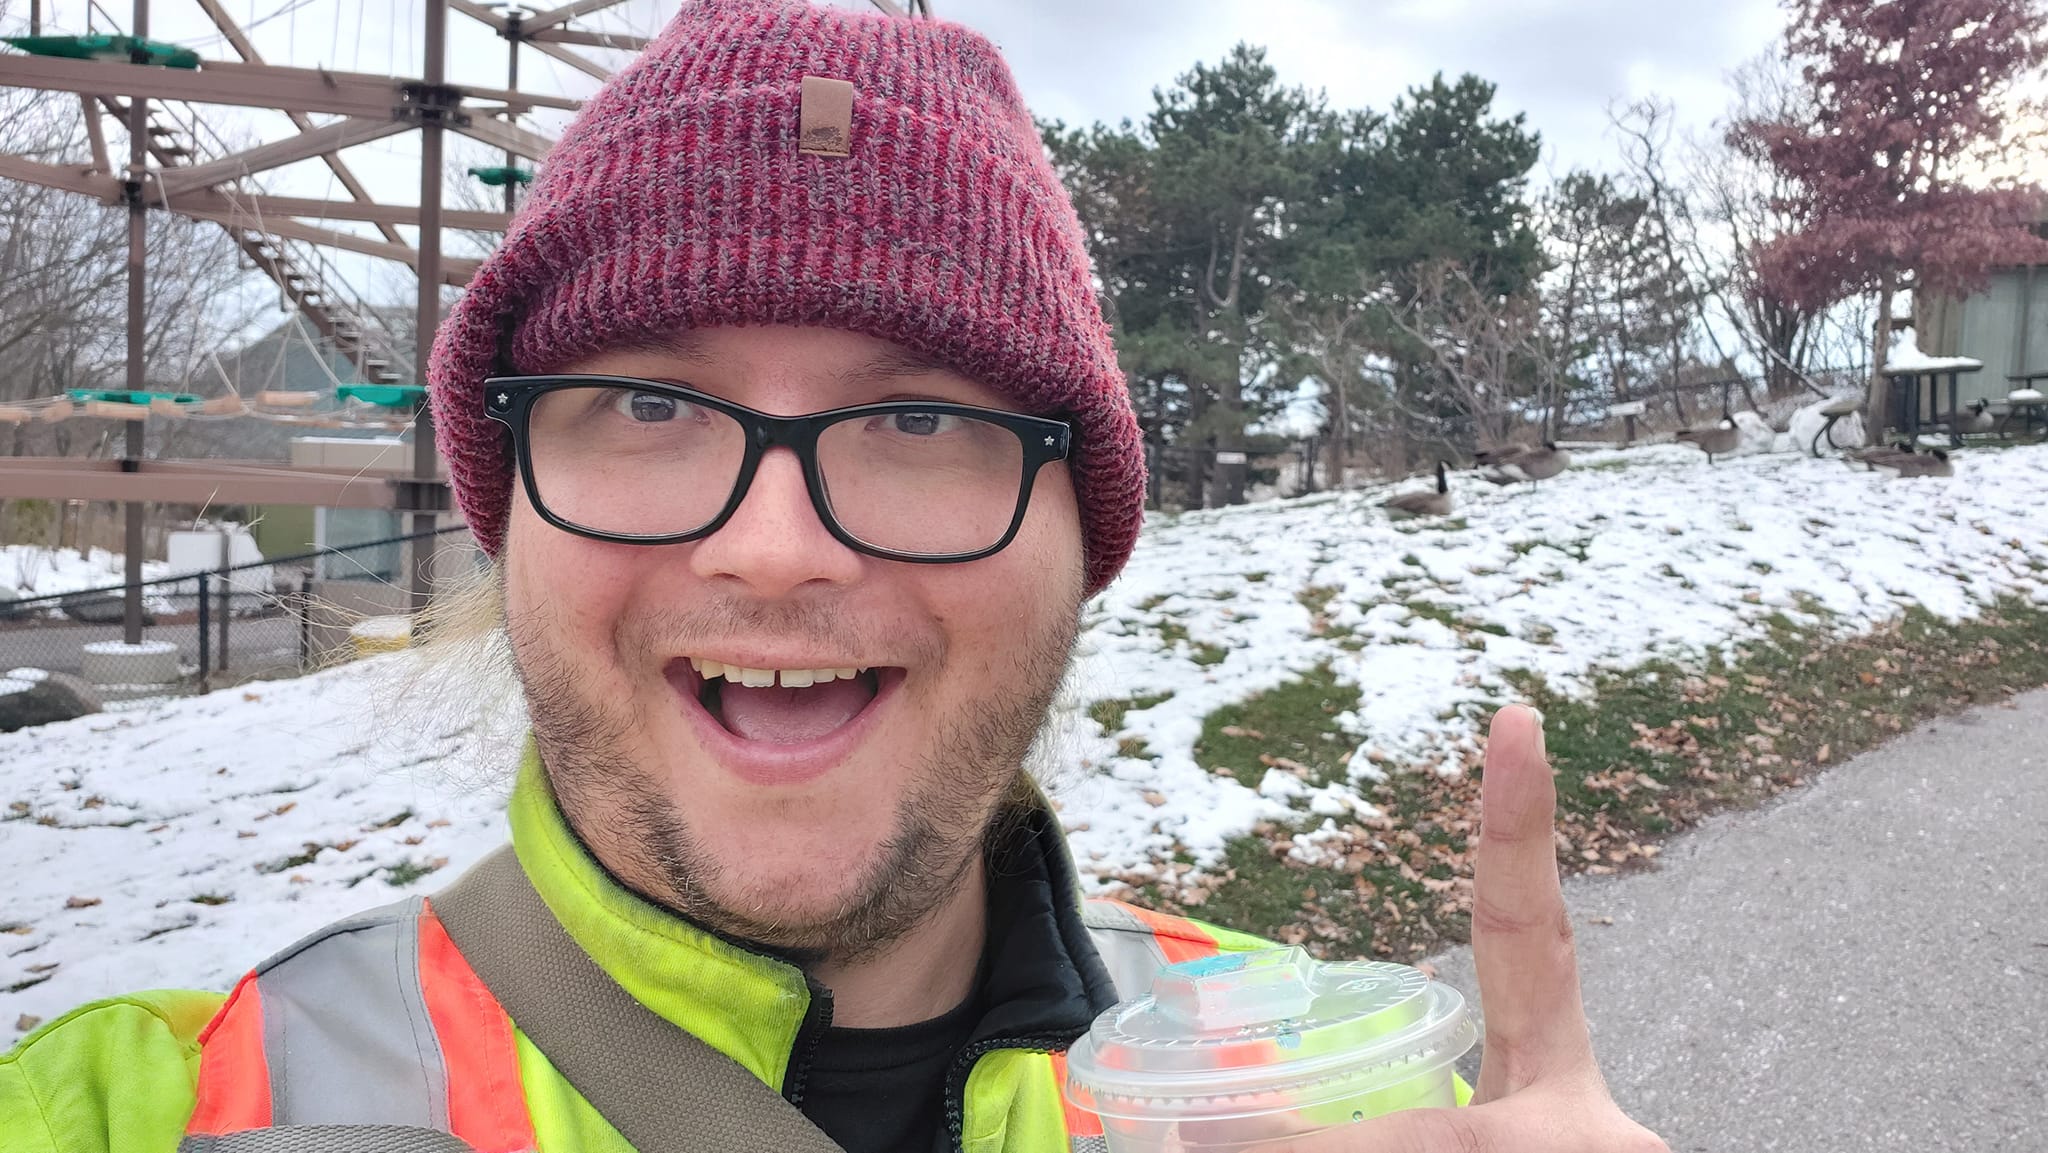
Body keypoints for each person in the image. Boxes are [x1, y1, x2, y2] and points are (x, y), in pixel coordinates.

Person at [0, 2, 1665, 1151]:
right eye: (649, 403)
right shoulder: (167, 1107)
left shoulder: (1308, 1093)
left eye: (923, 416)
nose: (781, 547)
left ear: (1085, 537)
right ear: (510, 504)